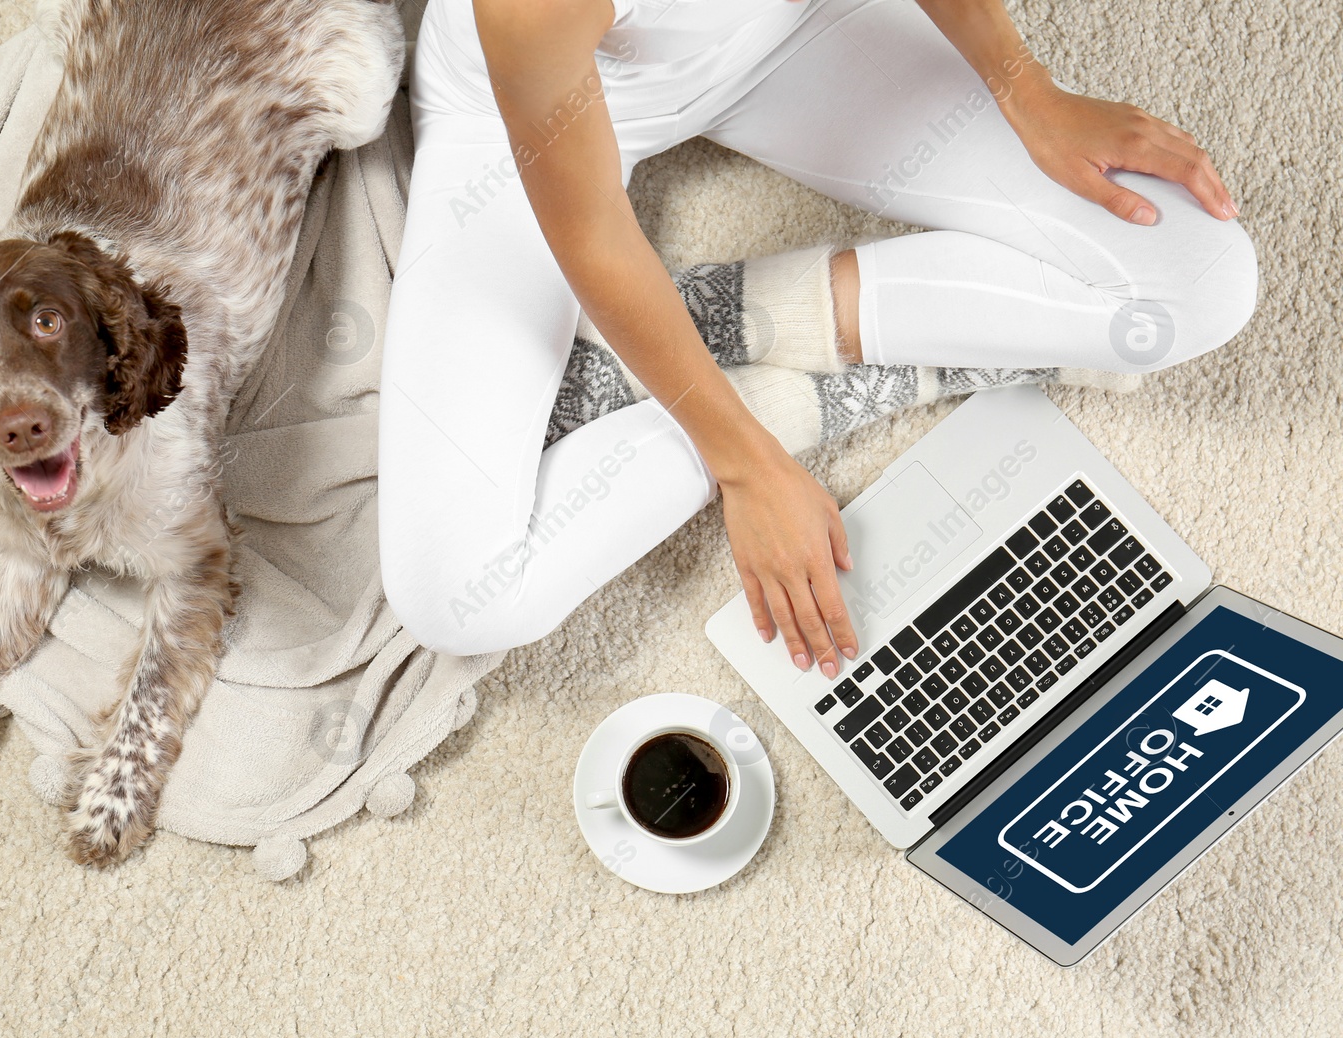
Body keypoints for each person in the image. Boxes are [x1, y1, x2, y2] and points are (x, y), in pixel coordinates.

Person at [377, 0, 1257, 675]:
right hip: (524, 117)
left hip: (794, 34)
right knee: (460, 596)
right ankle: (765, 397)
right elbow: (593, 233)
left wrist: (1026, 88)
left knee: (1202, 284)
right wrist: (746, 465)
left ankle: (751, 316)